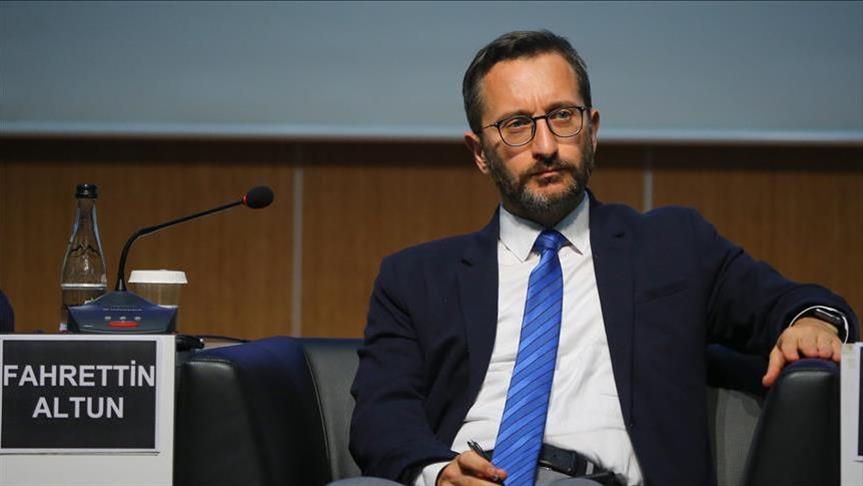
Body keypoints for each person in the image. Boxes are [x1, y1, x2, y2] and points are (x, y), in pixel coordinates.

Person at [347, 30, 857, 486]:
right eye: (517, 125)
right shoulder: (414, 278)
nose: (545, 146)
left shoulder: (672, 247)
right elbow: (380, 413)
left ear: (591, 129)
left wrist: (813, 321)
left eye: (562, 117)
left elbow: (794, 304)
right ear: (480, 152)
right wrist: (438, 475)